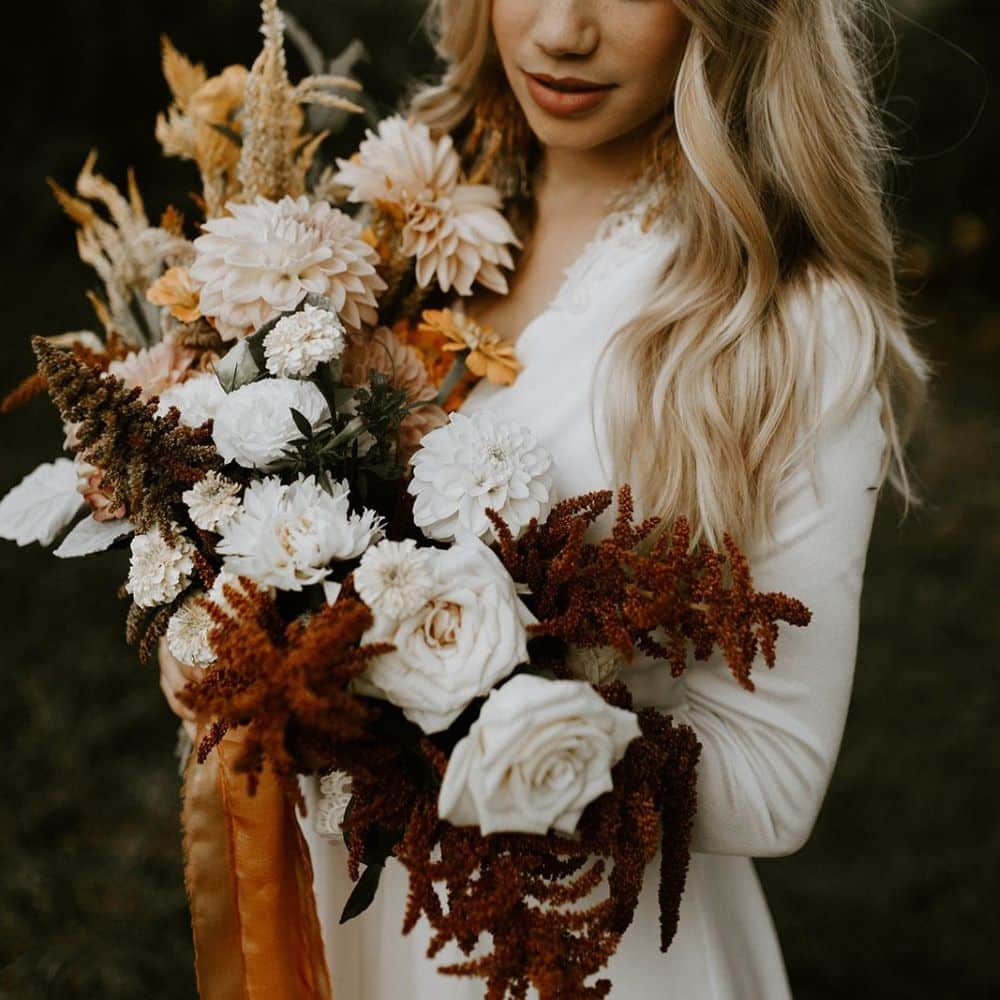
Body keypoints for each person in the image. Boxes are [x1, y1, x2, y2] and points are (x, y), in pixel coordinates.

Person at [161, 0, 930, 996]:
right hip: (340, 914)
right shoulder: (390, 216)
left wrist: (433, 709)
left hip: (571, 944)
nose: (562, 31)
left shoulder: (785, 323)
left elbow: (777, 780)